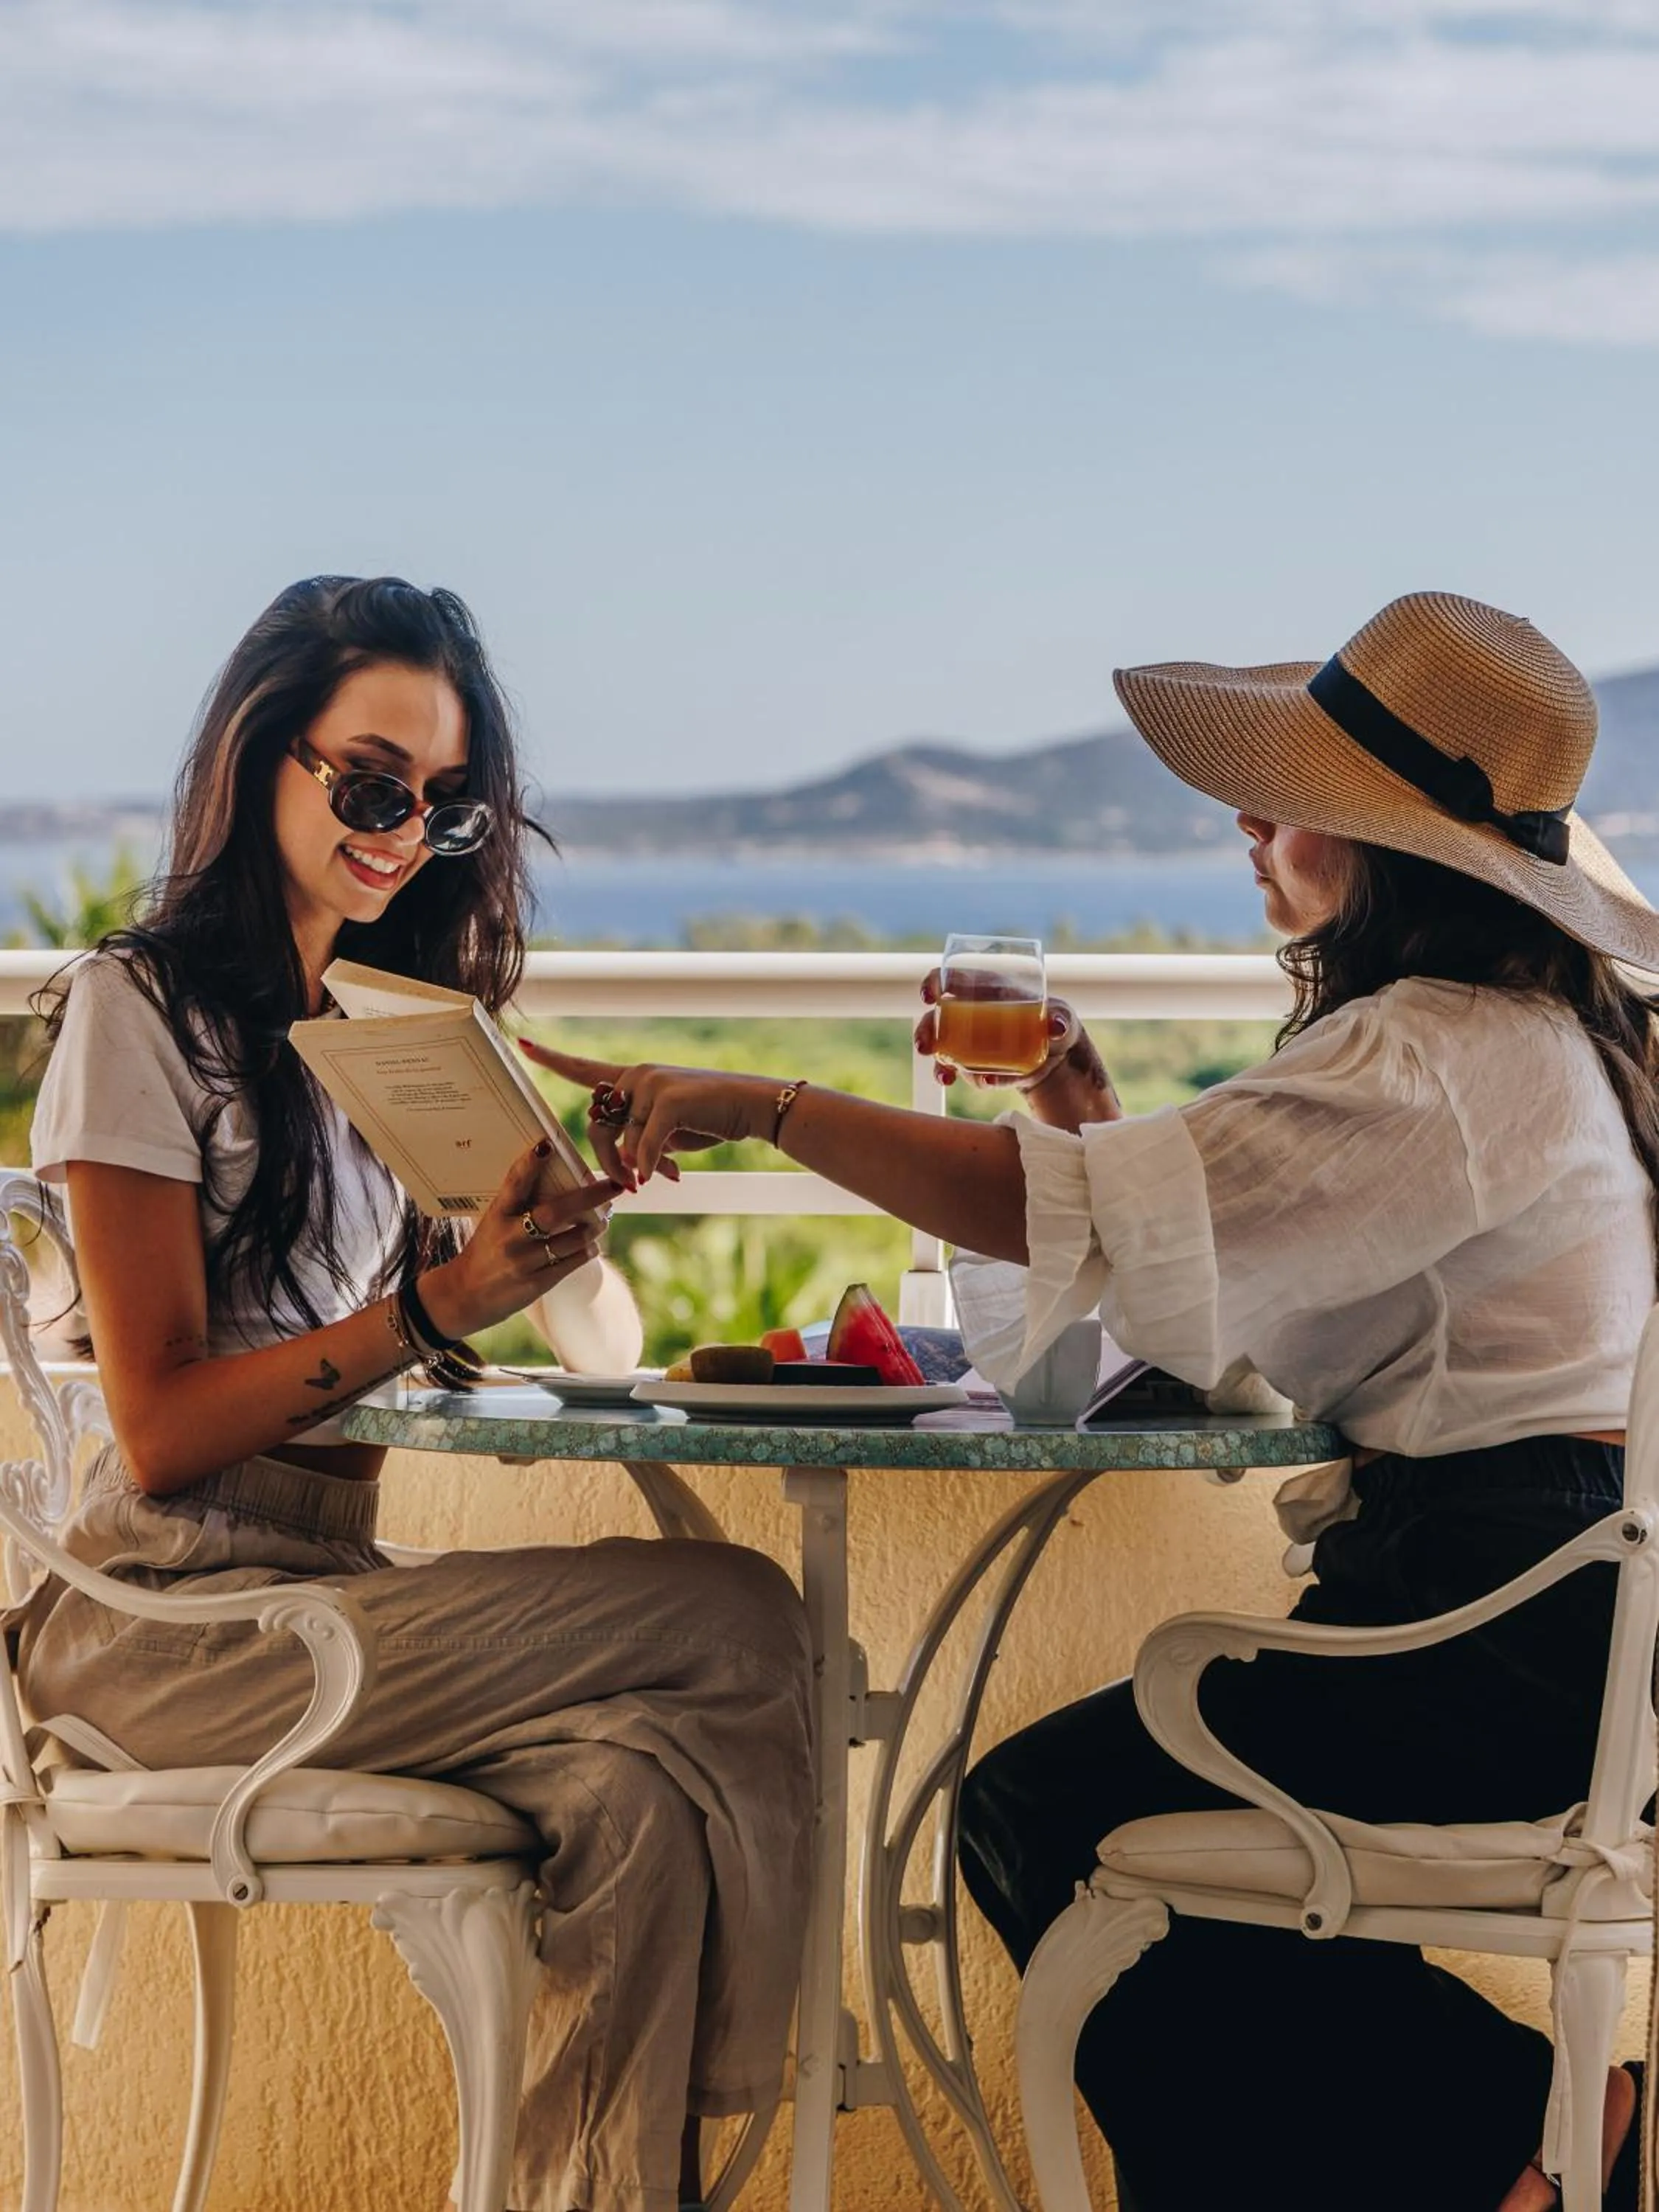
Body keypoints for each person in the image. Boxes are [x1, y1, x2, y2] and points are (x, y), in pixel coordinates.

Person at [528, 591, 1655, 2211]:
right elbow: (1210, 1253)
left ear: (1393, 849)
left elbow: (1039, 1217)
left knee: (1040, 1809)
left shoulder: (1430, 1057)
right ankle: (1528, 2143)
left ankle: (1530, 2141)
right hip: (1562, 1615)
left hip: (1494, 1617)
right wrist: (1084, 1111)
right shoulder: (1531, 1041)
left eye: (1298, 805)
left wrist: (771, 1105)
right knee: (1088, 1831)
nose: (1252, 828)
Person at [14, 575, 815, 2212]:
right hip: (166, 1631)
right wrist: (436, 1309)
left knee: (643, 1799)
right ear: (260, 759)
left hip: (323, 1602)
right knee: (736, 1611)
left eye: (444, 807)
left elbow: (595, 1351)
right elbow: (160, 1430)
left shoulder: (379, 1028)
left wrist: (554, 1208)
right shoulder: (137, 1012)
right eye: (372, 783)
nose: (402, 828)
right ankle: (771, 2116)